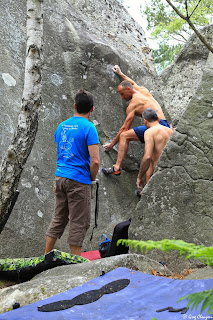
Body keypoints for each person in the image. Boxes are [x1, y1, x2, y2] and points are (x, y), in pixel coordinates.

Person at [45, 90, 100, 256]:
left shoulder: (62, 126)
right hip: (78, 180)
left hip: (60, 176)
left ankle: (45, 257)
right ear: (92, 109)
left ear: (75, 106)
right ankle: (74, 264)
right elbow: (95, 161)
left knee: (58, 218)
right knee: (79, 221)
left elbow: (62, 148)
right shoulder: (89, 128)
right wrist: (91, 179)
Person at [102, 65, 170, 182]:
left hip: (156, 125)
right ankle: (145, 190)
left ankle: (117, 167)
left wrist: (112, 144)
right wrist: (120, 73)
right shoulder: (143, 91)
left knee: (124, 136)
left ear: (128, 90)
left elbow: (124, 128)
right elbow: (132, 82)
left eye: (122, 94)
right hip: (165, 125)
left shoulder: (133, 104)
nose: (122, 98)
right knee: (152, 159)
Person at [136, 108, 173, 194]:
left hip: (160, 171)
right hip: (173, 169)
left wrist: (140, 176)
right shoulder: (170, 131)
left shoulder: (149, 132)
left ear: (145, 121)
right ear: (158, 119)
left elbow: (147, 157)